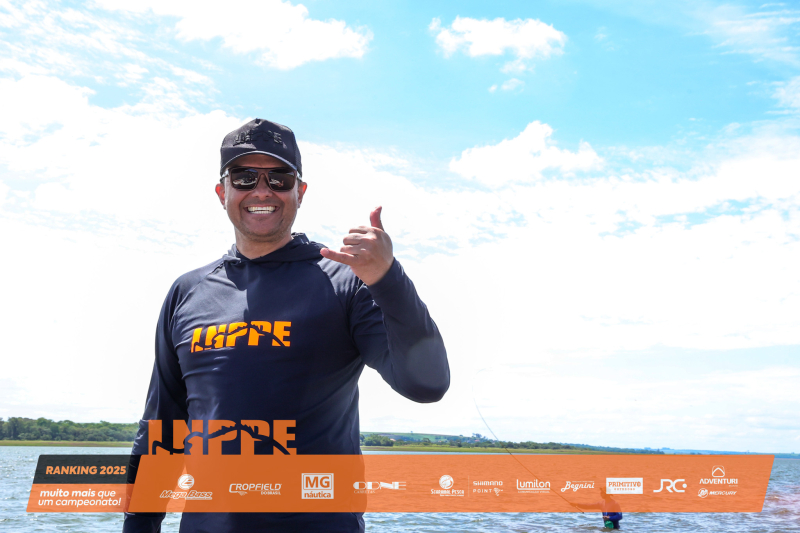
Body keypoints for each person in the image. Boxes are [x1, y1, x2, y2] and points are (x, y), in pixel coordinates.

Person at [122, 118, 450, 532]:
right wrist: (139, 523)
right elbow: (163, 428)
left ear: (300, 192)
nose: (262, 191)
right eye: (244, 178)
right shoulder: (188, 292)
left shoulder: (346, 282)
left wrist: (388, 278)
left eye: (279, 179)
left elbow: (427, 385)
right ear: (223, 192)